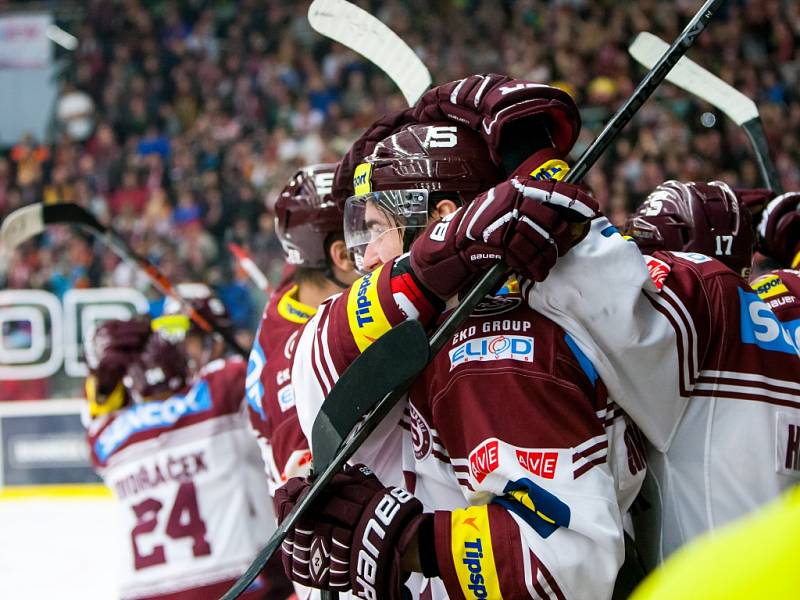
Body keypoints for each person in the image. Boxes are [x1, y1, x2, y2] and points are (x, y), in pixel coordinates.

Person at [280, 76, 646, 600]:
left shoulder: (489, 353)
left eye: (377, 227)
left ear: (443, 218)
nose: (363, 258)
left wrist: (408, 542)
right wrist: (434, 262)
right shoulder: (439, 335)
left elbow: (568, 568)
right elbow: (321, 357)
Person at [83, 318, 293, 599]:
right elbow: (261, 370)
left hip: (145, 593)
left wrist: (107, 377)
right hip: (233, 584)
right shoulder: (220, 391)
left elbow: (98, 411)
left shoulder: (107, 439)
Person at [245, 163, 360, 493]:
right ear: (342, 257)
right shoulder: (295, 370)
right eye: (366, 228)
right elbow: (304, 493)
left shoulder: (295, 288)